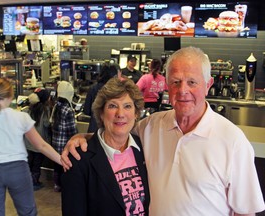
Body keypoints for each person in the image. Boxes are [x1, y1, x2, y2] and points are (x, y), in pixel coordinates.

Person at [61, 46, 265, 216]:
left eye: (192, 82)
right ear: (167, 86)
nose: (183, 90)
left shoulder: (232, 141)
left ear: (208, 85)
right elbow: (117, 134)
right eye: (176, 82)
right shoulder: (151, 126)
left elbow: (245, 211)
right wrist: (84, 138)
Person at [61, 77, 150, 216]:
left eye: (127, 106)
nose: (120, 114)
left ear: (136, 113)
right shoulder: (79, 159)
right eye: (112, 106)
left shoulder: (143, 148)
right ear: (101, 114)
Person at [0, 78, 61, 216]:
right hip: (18, 171)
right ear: (10, 96)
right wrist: (62, 160)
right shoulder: (20, 117)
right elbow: (41, 145)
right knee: (27, 212)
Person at [50, 80, 78, 192]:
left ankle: (57, 184)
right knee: (65, 166)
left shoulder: (56, 105)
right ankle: (64, 185)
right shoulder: (68, 109)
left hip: (55, 143)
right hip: (65, 145)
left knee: (57, 166)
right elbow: (72, 131)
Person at [24, 88, 52, 191]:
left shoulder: (28, 109)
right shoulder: (45, 110)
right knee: (37, 164)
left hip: (28, 142)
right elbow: (47, 123)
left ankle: (27, 181)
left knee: (29, 162)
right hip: (40, 142)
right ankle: (34, 182)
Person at [83, 62, 121, 133]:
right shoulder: (117, 90)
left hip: (94, 130)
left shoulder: (93, 88)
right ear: (115, 75)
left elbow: (86, 110)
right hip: (110, 129)